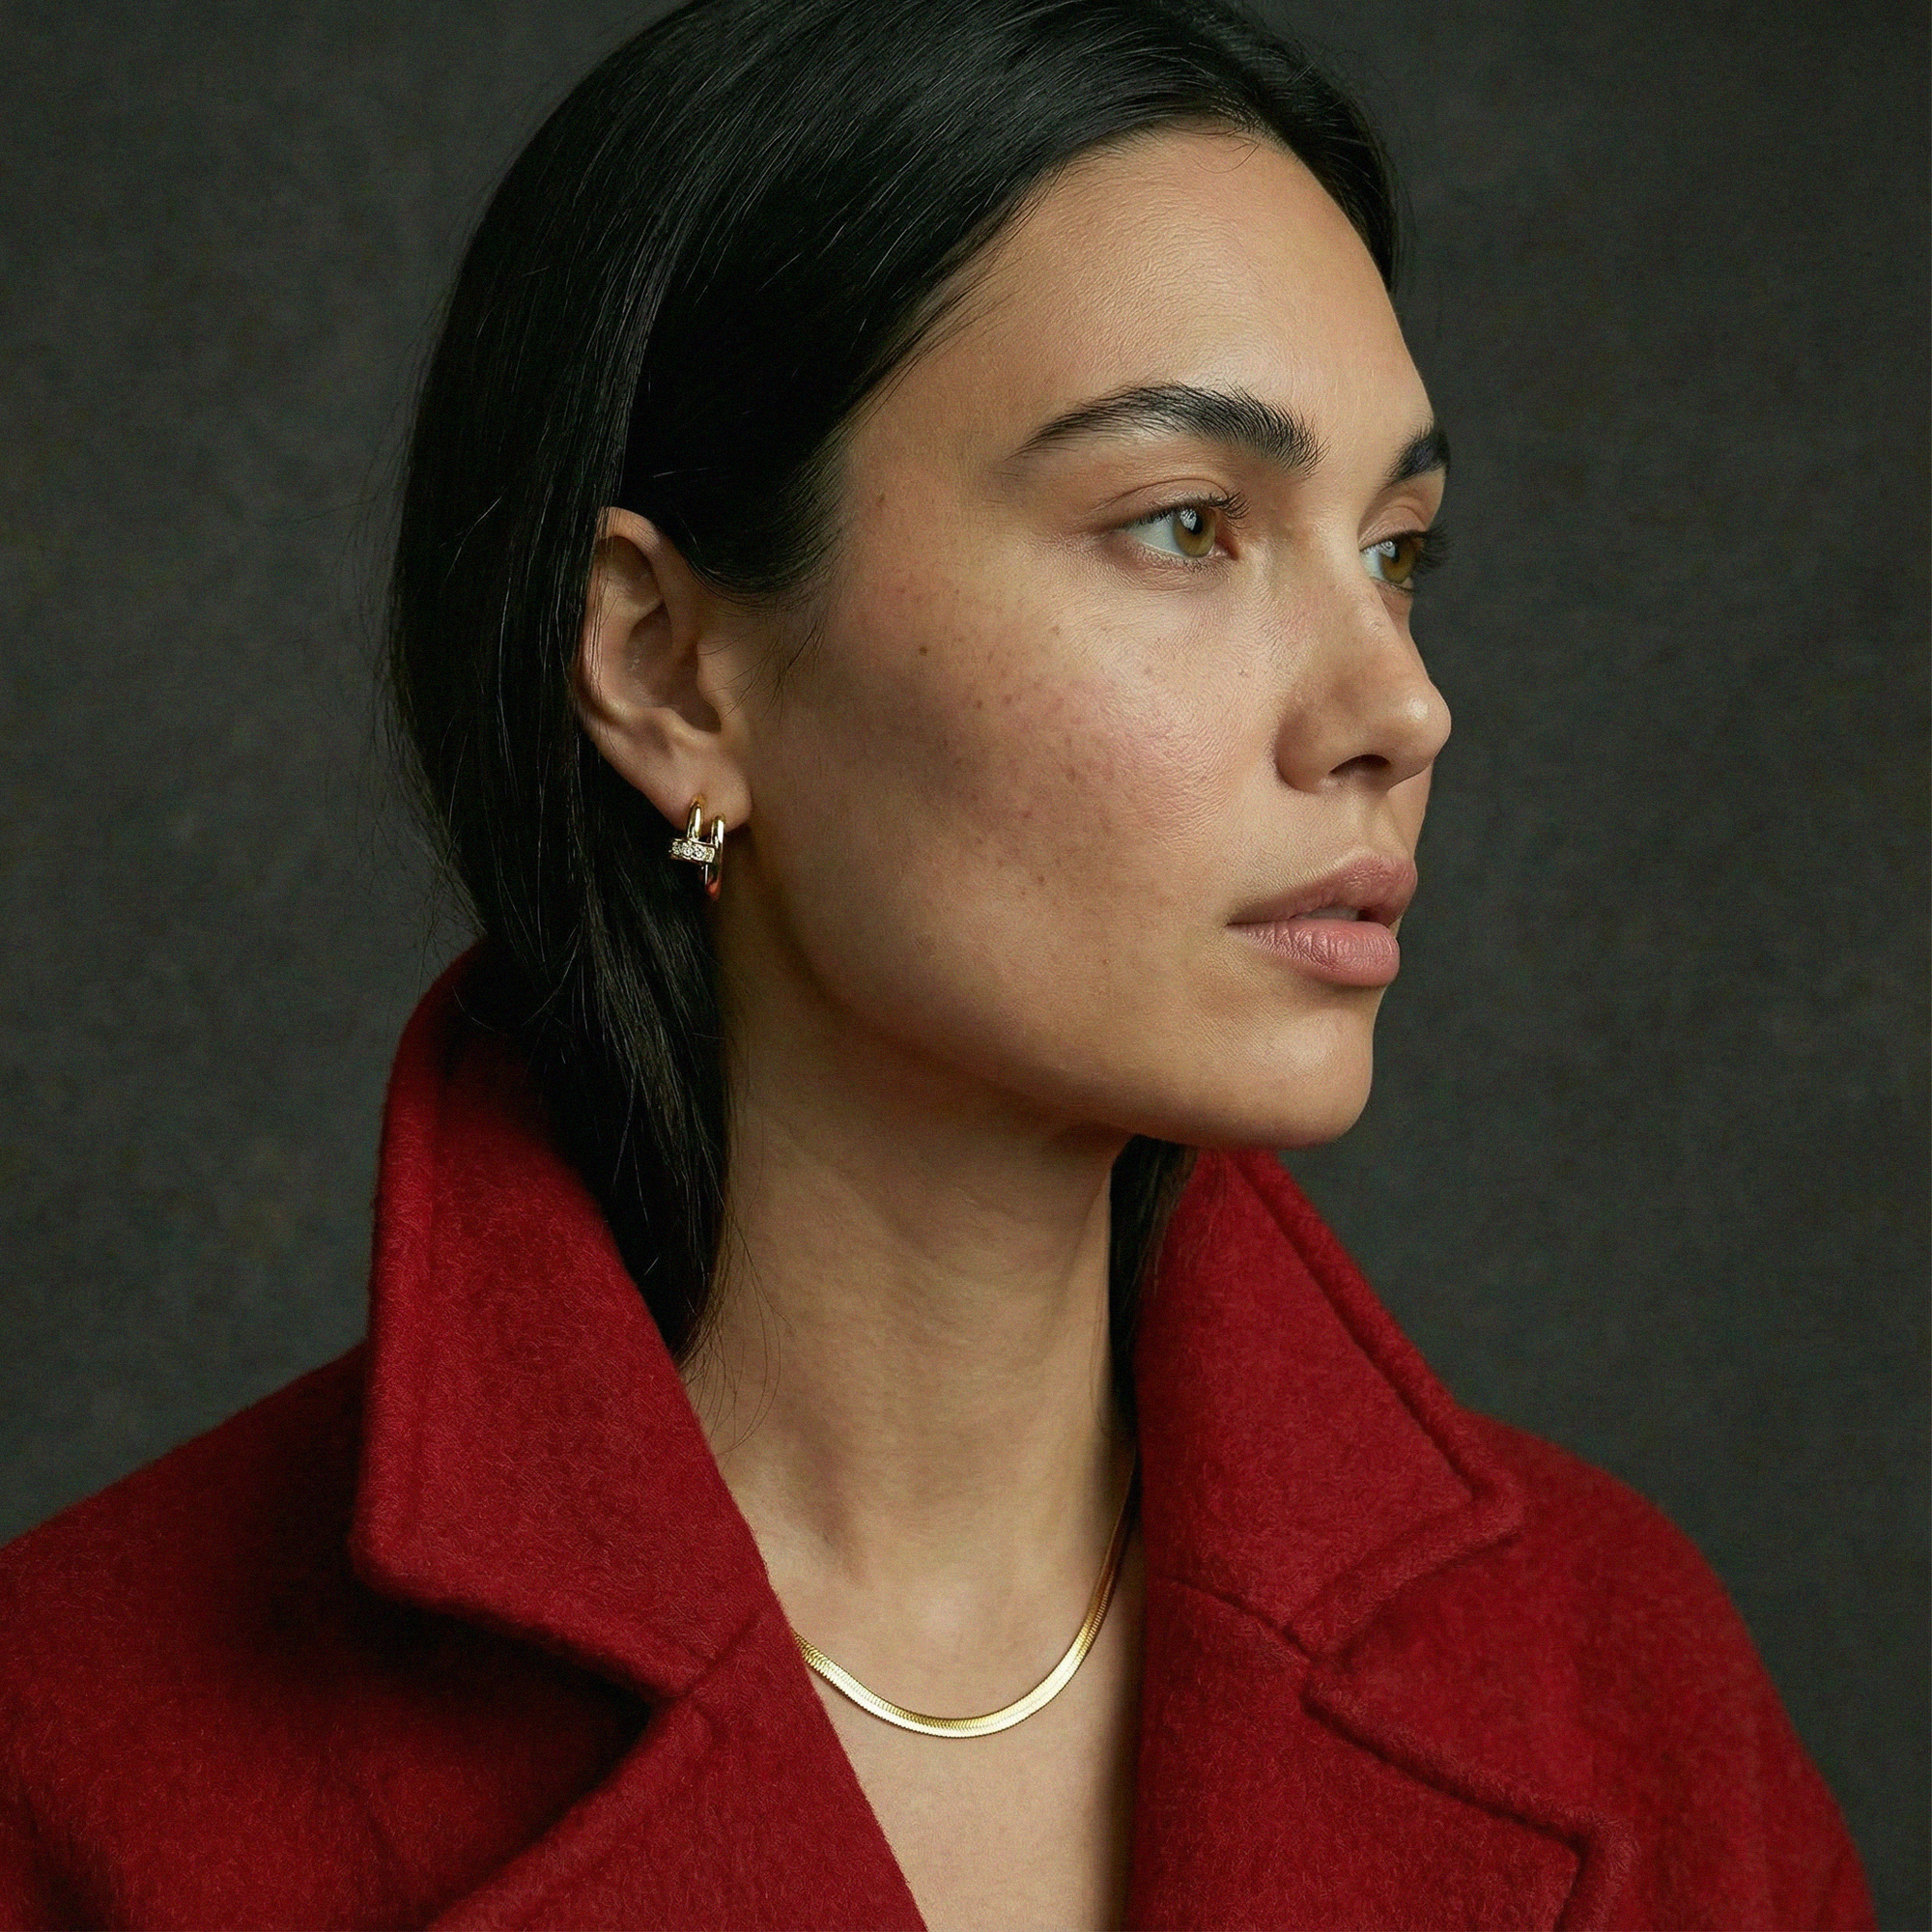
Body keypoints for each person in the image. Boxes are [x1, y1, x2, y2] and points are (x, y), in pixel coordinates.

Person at [0, 0, 1876, 1926]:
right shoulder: (75, 1752)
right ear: (663, 665)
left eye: (1397, 548)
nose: (1397, 704)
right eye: (1182, 524)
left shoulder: (1615, 1684)